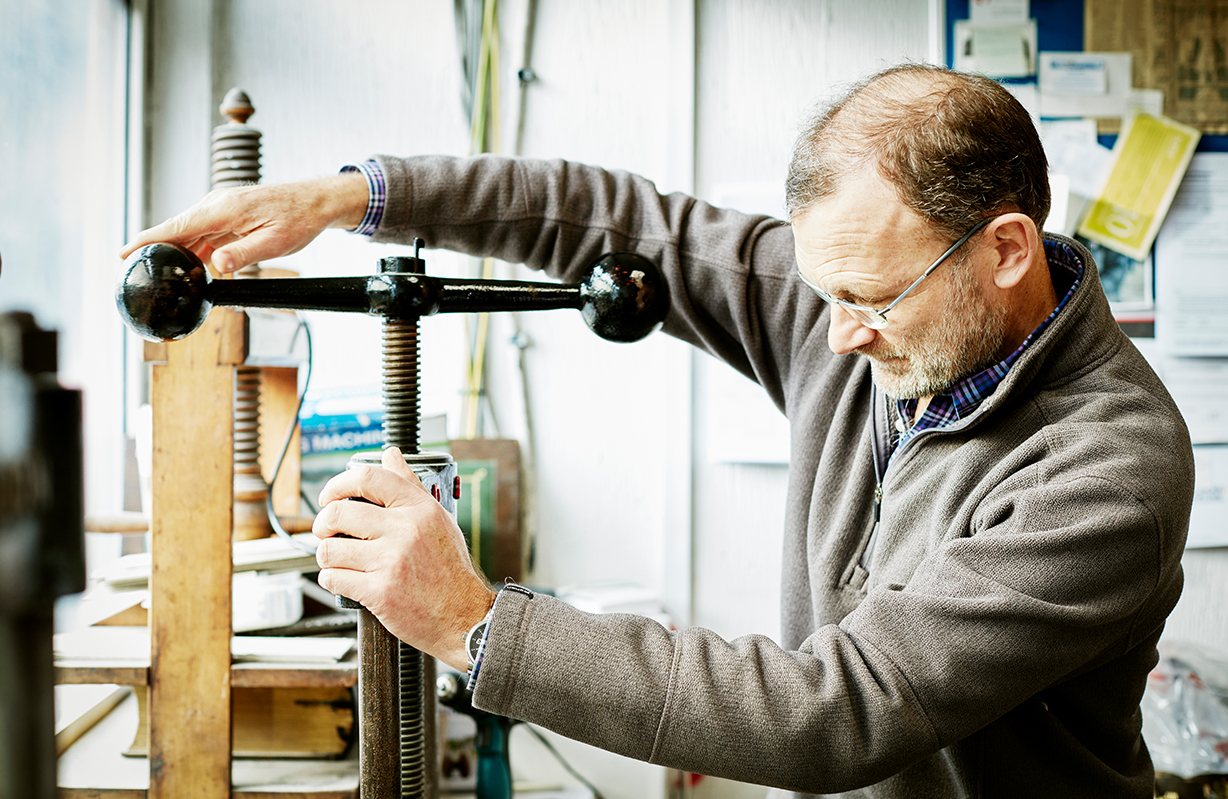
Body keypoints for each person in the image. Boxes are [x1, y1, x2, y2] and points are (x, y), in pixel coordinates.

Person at [121, 64, 1194, 798]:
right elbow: (616, 220)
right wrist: (356, 197)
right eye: (820, 290)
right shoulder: (876, 308)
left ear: (1005, 249)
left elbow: (838, 710)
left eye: (869, 297)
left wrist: (476, 624)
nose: (835, 336)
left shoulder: (1109, 467)